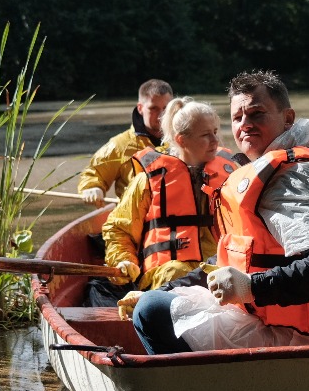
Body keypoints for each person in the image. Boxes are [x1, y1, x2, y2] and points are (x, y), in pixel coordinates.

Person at [127, 70, 309, 352]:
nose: (245, 124)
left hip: (305, 339)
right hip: (270, 324)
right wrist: (162, 289)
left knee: (151, 312)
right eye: (238, 118)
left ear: (287, 118)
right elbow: (231, 255)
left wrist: (252, 286)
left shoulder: (299, 175)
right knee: (154, 299)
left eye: (257, 114)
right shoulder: (265, 172)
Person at [86, 97, 239, 307]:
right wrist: (124, 260)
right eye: (205, 135)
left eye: (215, 131)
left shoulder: (232, 175)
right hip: (166, 274)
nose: (215, 141)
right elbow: (118, 229)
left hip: (217, 269)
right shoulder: (148, 180)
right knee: (175, 272)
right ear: (182, 140)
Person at [77, 79, 174, 206]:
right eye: (153, 108)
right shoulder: (120, 145)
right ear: (140, 108)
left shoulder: (184, 140)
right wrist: (92, 188)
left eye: (166, 108)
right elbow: (93, 173)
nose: (161, 115)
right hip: (135, 222)